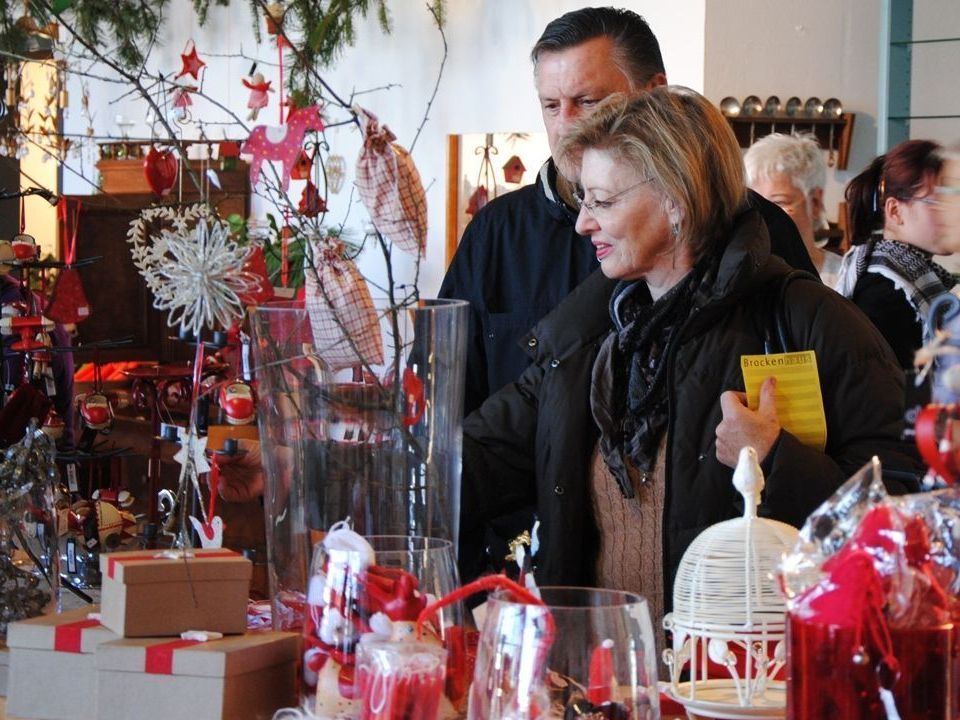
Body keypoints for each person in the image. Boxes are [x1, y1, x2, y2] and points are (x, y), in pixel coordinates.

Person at [459, 88, 920, 628]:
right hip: (606, 689)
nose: (583, 223)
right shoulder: (592, 340)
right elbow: (472, 462)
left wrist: (774, 461)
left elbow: (902, 527)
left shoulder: (806, 323)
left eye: (602, 202)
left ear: (675, 200)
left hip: (741, 697)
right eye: (583, 200)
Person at [439, 6, 818, 418]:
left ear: (655, 94)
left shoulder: (755, 228)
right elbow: (446, 404)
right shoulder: (496, 234)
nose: (565, 127)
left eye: (588, 101)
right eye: (551, 105)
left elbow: (810, 419)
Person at [837, 140, 958, 405]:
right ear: (894, 210)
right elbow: (902, 394)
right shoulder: (884, 289)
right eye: (936, 200)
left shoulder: (914, 277)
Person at [745, 132, 843, 287]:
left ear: (815, 203)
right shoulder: (744, 279)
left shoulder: (845, 279)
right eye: (755, 206)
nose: (764, 217)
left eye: (778, 203)